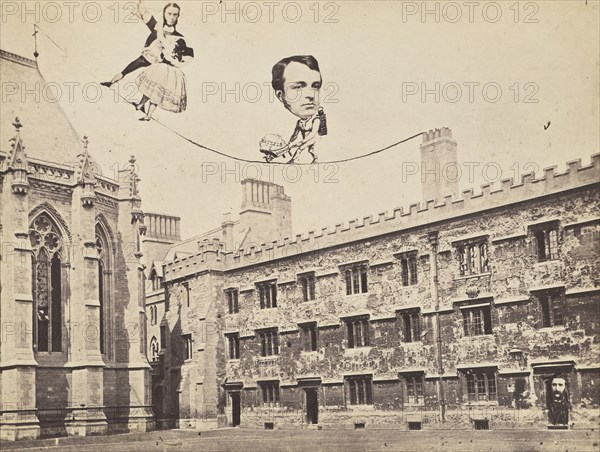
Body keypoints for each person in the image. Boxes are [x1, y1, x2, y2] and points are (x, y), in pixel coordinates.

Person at [101, 1, 184, 88]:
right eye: (169, 14)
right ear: (164, 14)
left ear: (178, 16)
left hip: (158, 64)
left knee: (154, 84)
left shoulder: (177, 37)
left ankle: (143, 101)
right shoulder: (156, 27)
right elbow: (144, 12)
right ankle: (111, 83)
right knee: (126, 70)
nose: (172, 17)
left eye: (175, 14)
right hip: (146, 58)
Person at [270, 55, 327, 164]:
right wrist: (289, 145)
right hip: (304, 142)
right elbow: (294, 136)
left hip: (309, 141)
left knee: (306, 150)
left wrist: (298, 144)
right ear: (280, 95)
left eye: (315, 86)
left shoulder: (316, 120)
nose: (311, 95)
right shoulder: (299, 123)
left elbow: (312, 135)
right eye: (298, 87)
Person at [134, 37, 193, 121]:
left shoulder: (186, 55)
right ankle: (140, 105)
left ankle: (149, 115)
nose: (175, 45)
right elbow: (162, 57)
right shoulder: (170, 49)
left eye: (177, 44)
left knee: (157, 94)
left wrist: (171, 58)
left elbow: (178, 63)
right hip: (162, 69)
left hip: (170, 73)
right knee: (151, 90)